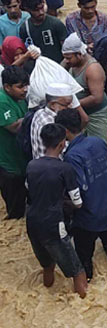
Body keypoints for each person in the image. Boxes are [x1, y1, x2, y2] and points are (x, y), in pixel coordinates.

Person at [56, 108, 107, 282]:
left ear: (65, 131)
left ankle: (88, 283)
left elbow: (78, 188)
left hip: (88, 218)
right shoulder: (99, 142)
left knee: (84, 257)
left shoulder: (72, 156)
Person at [25, 123, 88, 297]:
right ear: (62, 144)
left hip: (32, 222)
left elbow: (30, 192)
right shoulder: (64, 169)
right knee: (77, 270)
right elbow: (78, 201)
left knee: (47, 266)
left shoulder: (31, 165)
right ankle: (83, 301)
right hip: (53, 225)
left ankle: (47, 293)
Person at [63, 33, 107, 147]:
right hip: (80, 114)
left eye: (68, 58)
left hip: (97, 115)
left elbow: (97, 98)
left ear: (79, 55)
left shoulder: (92, 69)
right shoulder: (72, 63)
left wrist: (73, 105)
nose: (66, 61)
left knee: (100, 146)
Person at [0, 65, 29, 219]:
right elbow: (14, 127)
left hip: (21, 158)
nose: (25, 89)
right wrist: (34, 115)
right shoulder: (2, 101)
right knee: (15, 206)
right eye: (20, 87)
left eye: (26, 85)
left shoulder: (19, 98)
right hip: (8, 162)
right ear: (7, 87)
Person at [30, 83, 84, 159]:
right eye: (66, 105)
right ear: (52, 105)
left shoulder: (39, 113)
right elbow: (65, 153)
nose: (70, 107)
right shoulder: (51, 124)